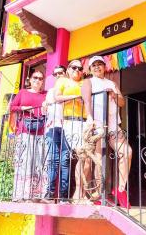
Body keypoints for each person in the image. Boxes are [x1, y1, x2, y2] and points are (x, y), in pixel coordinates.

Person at [82, 55, 132, 208]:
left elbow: (122, 102)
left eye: (100, 64)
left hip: (113, 125)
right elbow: (87, 101)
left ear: (105, 67)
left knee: (127, 152)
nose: (97, 67)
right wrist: (90, 118)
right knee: (99, 160)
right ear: (90, 69)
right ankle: (98, 194)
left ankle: (120, 189)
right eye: (94, 65)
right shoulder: (88, 81)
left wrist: (114, 95)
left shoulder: (111, 83)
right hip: (97, 125)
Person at [54, 60, 90, 202]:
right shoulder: (63, 81)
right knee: (81, 154)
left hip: (84, 121)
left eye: (80, 68)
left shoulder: (85, 83)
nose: (77, 70)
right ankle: (77, 194)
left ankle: (81, 192)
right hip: (70, 121)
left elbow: (89, 100)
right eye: (73, 67)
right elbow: (57, 97)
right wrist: (75, 97)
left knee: (86, 158)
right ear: (68, 70)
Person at [10, 70, 46, 201]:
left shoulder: (45, 95)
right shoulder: (23, 92)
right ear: (30, 80)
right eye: (35, 78)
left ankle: (34, 194)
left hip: (40, 131)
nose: (37, 80)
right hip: (24, 130)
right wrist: (24, 108)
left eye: (40, 78)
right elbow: (13, 107)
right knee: (24, 161)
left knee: (38, 161)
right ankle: (20, 194)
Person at [42, 65, 70, 202]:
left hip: (67, 128)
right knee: (53, 160)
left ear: (65, 74)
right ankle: (50, 193)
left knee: (65, 161)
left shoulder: (70, 88)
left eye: (61, 73)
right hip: (53, 128)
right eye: (56, 73)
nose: (58, 75)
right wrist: (44, 106)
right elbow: (45, 109)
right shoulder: (51, 91)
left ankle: (64, 196)